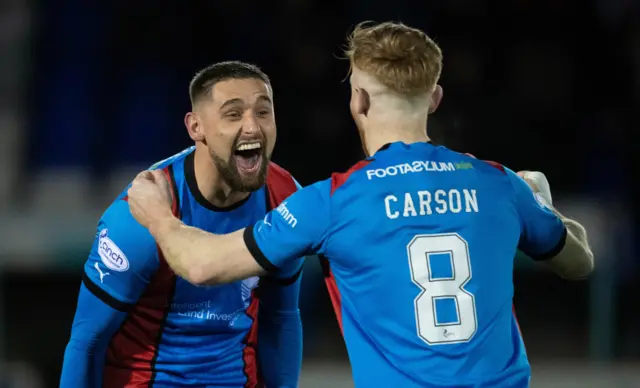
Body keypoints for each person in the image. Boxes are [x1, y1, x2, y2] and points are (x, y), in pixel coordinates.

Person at [126, 22, 595, 388]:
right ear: (434, 98)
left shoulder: (332, 202)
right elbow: (579, 262)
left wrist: (156, 216)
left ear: (359, 100)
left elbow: (204, 265)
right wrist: (540, 199)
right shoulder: (499, 185)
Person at [60, 61, 304, 388]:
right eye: (233, 114)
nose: (252, 127)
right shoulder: (138, 216)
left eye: (263, 112)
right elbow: (87, 342)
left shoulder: (285, 200)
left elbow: (281, 317)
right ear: (195, 127)